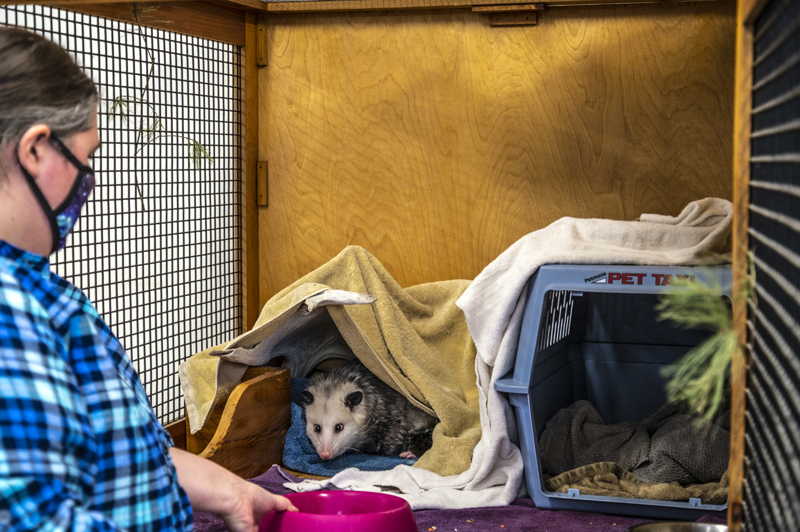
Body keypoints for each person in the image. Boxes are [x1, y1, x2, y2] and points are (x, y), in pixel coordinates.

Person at [0, 26, 297, 531]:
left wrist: (230, 490)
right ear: (35, 152)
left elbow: (116, 447)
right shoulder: (11, 312)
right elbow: (34, 516)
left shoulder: (37, 291)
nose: (89, 181)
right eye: (87, 156)